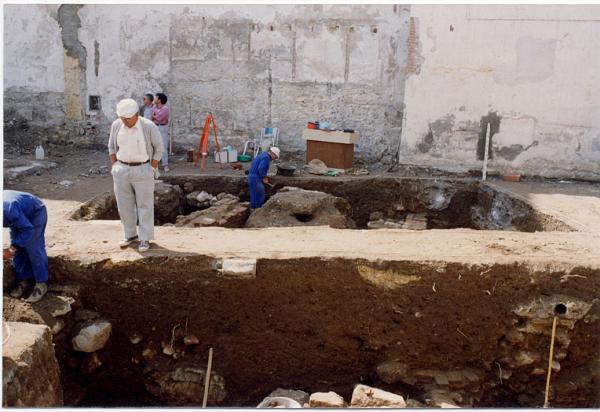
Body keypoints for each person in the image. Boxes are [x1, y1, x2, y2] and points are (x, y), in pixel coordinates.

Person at [108, 98, 163, 252]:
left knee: (144, 205)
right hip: (122, 169)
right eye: (122, 118)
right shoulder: (116, 125)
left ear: (136, 115)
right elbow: (111, 147)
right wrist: (115, 165)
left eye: (127, 118)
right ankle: (130, 235)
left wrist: (151, 167)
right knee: (124, 205)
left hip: (143, 168)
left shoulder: (148, 126)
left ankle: (144, 238)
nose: (124, 121)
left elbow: (159, 148)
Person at [3, 190, 49, 303]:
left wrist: (11, 249)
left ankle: (41, 284)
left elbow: (28, 230)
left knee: (33, 248)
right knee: (18, 249)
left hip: (35, 213)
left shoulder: (9, 208)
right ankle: (23, 280)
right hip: (17, 216)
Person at [152, 93, 170, 172]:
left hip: (162, 127)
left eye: (156, 98)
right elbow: (151, 116)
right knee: (153, 145)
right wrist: (154, 116)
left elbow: (159, 118)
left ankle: (165, 164)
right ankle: (154, 164)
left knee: (163, 145)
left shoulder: (165, 108)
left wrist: (154, 116)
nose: (154, 99)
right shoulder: (154, 107)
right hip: (154, 126)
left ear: (159, 100)